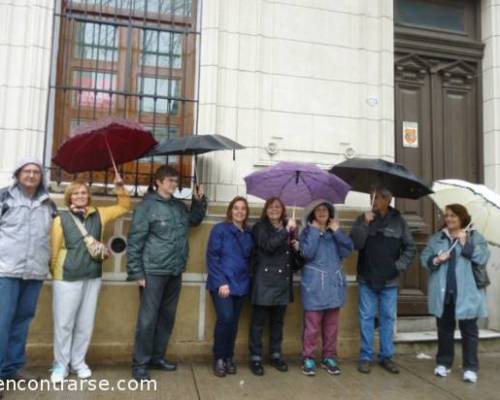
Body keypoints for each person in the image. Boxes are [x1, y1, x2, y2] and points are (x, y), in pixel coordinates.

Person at [127, 166, 207, 381]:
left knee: (167, 317)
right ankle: (140, 364)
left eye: (175, 180)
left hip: (175, 270)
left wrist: (200, 201)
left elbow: (194, 221)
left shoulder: (178, 206)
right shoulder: (147, 207)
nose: (174, 184)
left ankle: (157, 357)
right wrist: (137, 272)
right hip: (152, 271)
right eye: (170, 180)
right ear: (159, 182)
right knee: (147, 319)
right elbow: (135, 241)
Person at [49, 174, 131, 382]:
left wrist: (120, 187)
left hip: (92, 276)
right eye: (75, 193)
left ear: (89, 196)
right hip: (66, 277)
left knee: (85, 323)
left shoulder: (99, 214)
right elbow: (54, 249)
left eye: (84, 192)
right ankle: (60, 364)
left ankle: (78, 362)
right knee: (64, 323)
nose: (80, 195)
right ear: (69, 197)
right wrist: (56, 271)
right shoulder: (61, 219)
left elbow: (124, 206)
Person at [0, 158, 57, 387]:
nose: (32, 176)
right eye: (27, 171)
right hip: (6, 270)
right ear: (18, 174)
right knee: (2, 322)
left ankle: (12, 368)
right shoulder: (4, 198)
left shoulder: (48, 204)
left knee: (22, 321)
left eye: (36, 172)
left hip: (34, 272)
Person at [421, 204, 490, 384]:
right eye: (447, 215)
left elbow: (482, 258)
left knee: (469, 332)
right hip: (444, 293)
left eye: (453, 216)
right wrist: (436, 259)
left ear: (462, 218)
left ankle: (470, 368)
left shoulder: (475, 237)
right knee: (444, 330)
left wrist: (465, 243)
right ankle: (444, 363)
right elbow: (424, 258)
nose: (449, 219)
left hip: (467, 294)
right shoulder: (438, 238)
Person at [351, 188, 416, 374]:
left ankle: (387, 357)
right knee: (367, 317)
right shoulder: (362, 218)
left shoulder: (399, 221)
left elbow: (410, 247)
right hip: (367, 277)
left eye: (378, 197)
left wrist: (398, 266)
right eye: (372, 197)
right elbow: (355, 244)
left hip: (390, 280)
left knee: (388, 317)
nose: (374, 200)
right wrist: (364, 224)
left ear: (388, 199)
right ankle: (366, 357)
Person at [248, 197, 302, 376]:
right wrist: (286, 230)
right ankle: (255, 357)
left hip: (282, 282)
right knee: (258, 323)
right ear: (266, 209)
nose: (274, 209)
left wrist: (296, 247)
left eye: (278, 206)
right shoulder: (259, 227)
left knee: (278, 322)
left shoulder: (291, 227)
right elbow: (268, 246)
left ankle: (275, 354)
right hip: (264, 281)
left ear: (283, 209)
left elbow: (295, 262)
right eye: (271, 206)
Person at [299, 200, 353, 376]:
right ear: (313, 213)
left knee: (331, 326)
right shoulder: (307, 232)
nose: (322, 212)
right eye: (318, 210)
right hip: (315, 285)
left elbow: (347, 250)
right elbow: (307, 253)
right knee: (312, 326)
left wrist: (337, 232)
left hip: (333, 285)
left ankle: (329, 357)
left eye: (325, 210)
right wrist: (315, 231)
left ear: (330, 214)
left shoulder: (335, 232)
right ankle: (308, 357)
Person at [206, 196, 253, 378]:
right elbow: (212, 257)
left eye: (243, 208)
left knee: (233, 323)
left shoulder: (249, 233)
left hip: (241, 284)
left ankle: (229, 357)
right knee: (225, 318)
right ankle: (218, 358)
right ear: (230, 211)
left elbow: (251, 259)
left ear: (246, 212)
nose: (239, 211)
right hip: (223, 284)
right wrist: (221, 282)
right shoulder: (220, 230)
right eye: (236, 208)